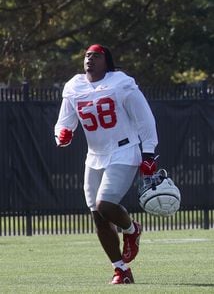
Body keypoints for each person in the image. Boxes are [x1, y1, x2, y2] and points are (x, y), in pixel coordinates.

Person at [53, 44, 158, 284]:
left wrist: (149, 152)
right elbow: (64, 121)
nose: (90, 59)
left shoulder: (121, 83)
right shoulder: (74, 86)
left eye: (96, 56)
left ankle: (132, 229)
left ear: (106, 61)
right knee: (98, 216)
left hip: (124, 149)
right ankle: (121, 270)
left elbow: (145, 118)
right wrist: (63, 133)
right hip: (95, 155)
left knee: (105, 204)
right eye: (87, 55)